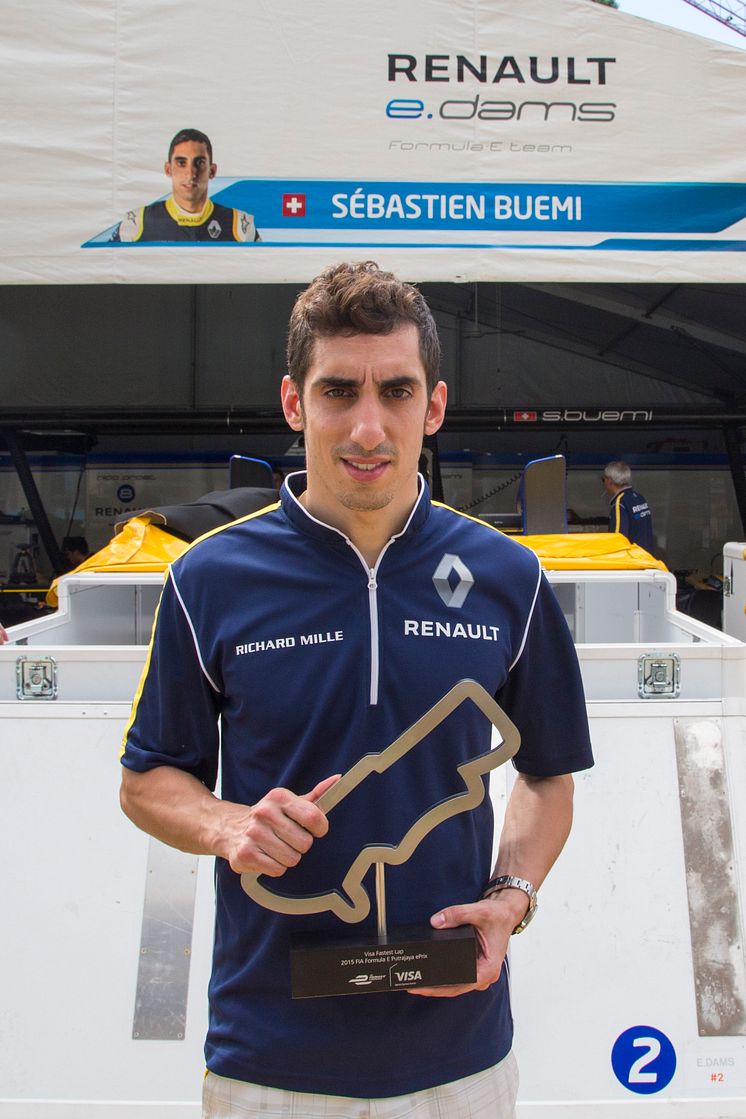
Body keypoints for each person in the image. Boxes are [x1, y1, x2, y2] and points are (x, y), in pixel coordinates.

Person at [120, 261, 593, 1119]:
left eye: (396, 391)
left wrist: (511, 898)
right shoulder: (208, 579)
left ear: (434, 406)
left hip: (460, 1057)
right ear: (295, 403)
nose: (368, 426)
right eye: (339, 391)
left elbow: (549, 774)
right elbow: (148, 780)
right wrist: (231, 824)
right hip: (270, 1059)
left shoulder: (508, 579)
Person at [112, 129, 260, 243]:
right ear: (168, 169)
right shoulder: (136, 223)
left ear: (212, 170)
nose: (190, 174)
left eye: (199, 163)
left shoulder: (240, 226)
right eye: (181, 163)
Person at [602, 460, 654, 553]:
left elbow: (617, 539)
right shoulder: (639, 498)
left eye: (603, 479)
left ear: (610, 480)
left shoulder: (620, 503)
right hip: (646, 557)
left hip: (633, 560)